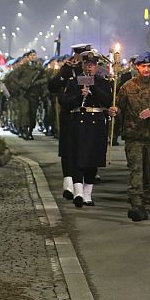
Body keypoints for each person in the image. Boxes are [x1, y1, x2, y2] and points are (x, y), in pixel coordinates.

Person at [109, 52, 150, 222]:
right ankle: (136, 204)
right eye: (143, 66)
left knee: (148, 171)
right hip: (134, 135)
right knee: (136, 170)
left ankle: (144, 199)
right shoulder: (127, 87)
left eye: (149, 66)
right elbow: (119, 106)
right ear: (137, 67)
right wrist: (114, 111)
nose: (146, 69)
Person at [60, 50, 112, 208]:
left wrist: (93, 89)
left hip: (96, 123)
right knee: (77, 159)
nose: (89, 68)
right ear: (82, 65)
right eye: (87, 65)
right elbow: (65, 101)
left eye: (92, 65)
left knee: (92, 159)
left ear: (96, 66)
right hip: (78, 122)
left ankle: (88, 194)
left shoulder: (102, 82)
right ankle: (78, 193)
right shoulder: (74, 81)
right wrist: (78, 96)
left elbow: (108, 100)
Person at [48, 44, 91, 200]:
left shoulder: (87, 71)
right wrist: (61, 74)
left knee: (82, 149)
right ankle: (68, 182)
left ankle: (80, 181)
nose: (82, 59)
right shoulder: (67, 69)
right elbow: (52, 87)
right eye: (81, 55)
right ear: (76, 54)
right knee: (67, 148)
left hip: (84, 115)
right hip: (68, 114)